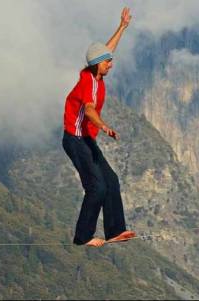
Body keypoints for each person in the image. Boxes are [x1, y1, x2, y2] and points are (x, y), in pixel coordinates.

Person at [62, 7, 135, 247]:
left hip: (86, 140)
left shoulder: (95, 72)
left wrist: (122, 27)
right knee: (97, 187)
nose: (111, 64)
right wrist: (103, 126)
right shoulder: (89, 84)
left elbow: (106, 50)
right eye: (108, 63)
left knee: (111, 181)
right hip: (75, 140)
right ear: (98, 65)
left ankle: (115, 231)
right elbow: (90, 109)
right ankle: (82, 237)